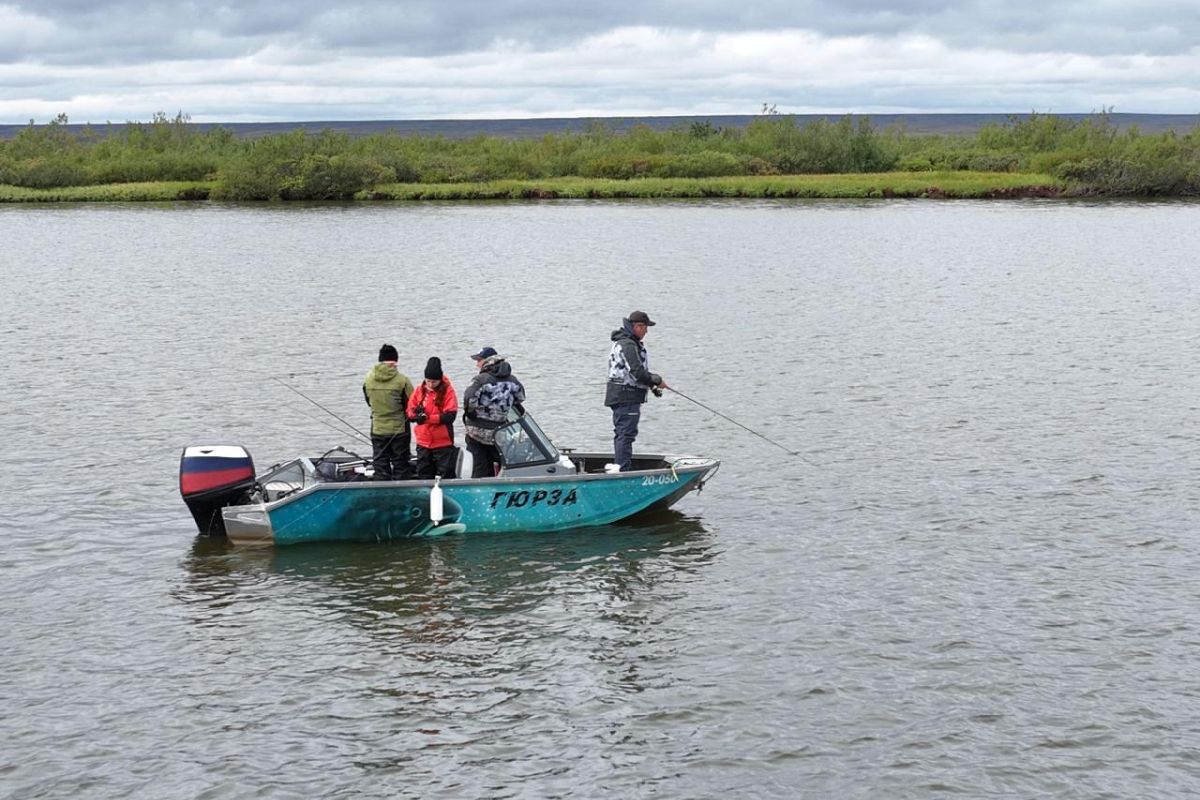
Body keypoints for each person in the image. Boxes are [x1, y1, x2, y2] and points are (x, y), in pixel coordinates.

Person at [604, 310, 668, 471]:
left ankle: (621, 466)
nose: (646, 331)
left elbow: (633, 374)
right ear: (636, 326)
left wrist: (651, 386)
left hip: (624, 395)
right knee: (626, 434)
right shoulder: (627, 344)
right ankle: (623, 470)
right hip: (626, 396)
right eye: (645, 327)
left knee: (624, 433)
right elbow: (637, 372)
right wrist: (656, 380)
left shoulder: (627, 342)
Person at [462, 346, 526, 478]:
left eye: (479, 360)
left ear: (488, 361)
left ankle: (478, 491)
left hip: (477, 432)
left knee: (479, 467)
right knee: (502, 463)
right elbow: (521, 397)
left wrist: (471, 413)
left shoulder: (481, 380)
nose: (477, 364)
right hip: (499, 433)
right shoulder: (513, 380)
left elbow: (469, 398)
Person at [363, 343, 415, 480]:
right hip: (399, 429)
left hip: (378, 428)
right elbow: (412, 405)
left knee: (380, 464)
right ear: (395, 361)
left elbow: (368, 401)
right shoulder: (403, 381)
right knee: (401, 464)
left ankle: (381, 488)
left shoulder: (368, 379)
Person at [407, 357, 459, 479]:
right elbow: (410, 410)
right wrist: (415, 417)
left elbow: (450, 416)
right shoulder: (419, 390)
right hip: (423, 442)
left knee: (446, 474)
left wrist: (427, 418)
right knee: (424, 474)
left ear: (440, 380)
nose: (430, 385)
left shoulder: (448, 391)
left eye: (434, 382)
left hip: (443, 442)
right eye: (428, 381)